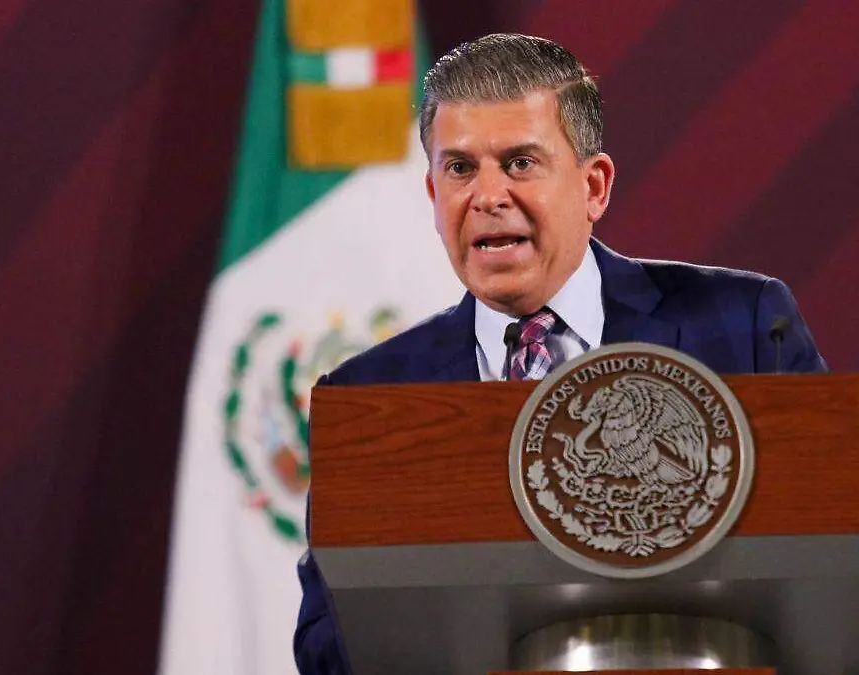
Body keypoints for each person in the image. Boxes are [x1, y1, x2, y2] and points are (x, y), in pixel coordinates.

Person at [293, 33, 828, 674]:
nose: (487, 196)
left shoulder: (746, 328)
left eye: (519, 162)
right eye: (460, 169)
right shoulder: (370, 398)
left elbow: (833, 557)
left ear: (594, 186)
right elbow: (326, 645)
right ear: (434, 196)